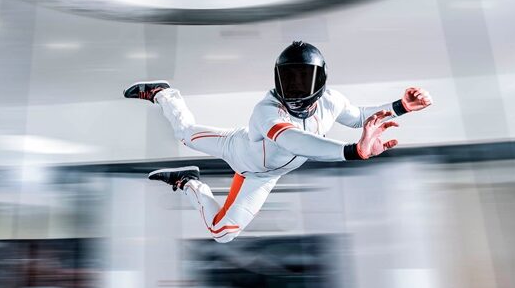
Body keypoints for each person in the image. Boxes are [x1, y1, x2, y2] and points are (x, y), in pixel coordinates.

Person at [123, 41, 432, 243]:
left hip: (263, 177)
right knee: (184, 133)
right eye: (288, 78)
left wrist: (401, 106)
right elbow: (294, 141)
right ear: (277, 79)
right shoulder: (266, 110)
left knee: (222, 233)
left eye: (303, 77)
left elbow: (359, 116)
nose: (295, 87)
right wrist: (353, 151)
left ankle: (189, 181)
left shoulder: (332, 101)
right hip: (237, 147)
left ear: (320, 80)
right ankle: (164, 94)